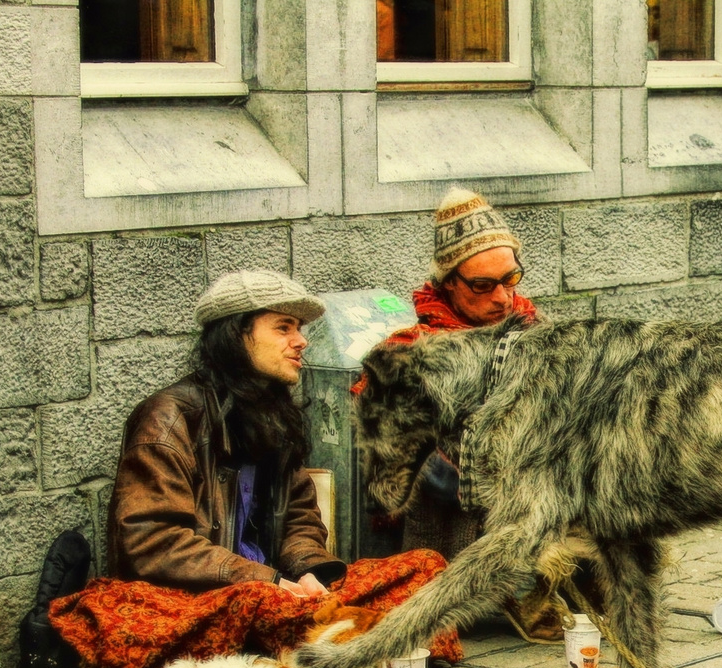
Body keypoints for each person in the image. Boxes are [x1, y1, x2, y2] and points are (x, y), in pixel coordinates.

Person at [390, 188, 569, 642]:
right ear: (449, 283)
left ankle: (573, 579)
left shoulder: (538, 332)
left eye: (511, 279)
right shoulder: (412, 350)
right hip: (462, 498)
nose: (503, 297)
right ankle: (503, 584)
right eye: (483, 286)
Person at [107, 270, 346, 596]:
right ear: (235, 336)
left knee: (419, 570)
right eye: (283, 327)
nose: (301, 341)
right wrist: (265, 582)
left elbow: (299, 515)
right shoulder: (168, 418)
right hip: (195, 599)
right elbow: (151, 540)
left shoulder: (273, 413)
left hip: (269, 589)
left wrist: (308, 571)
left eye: (299, 328)